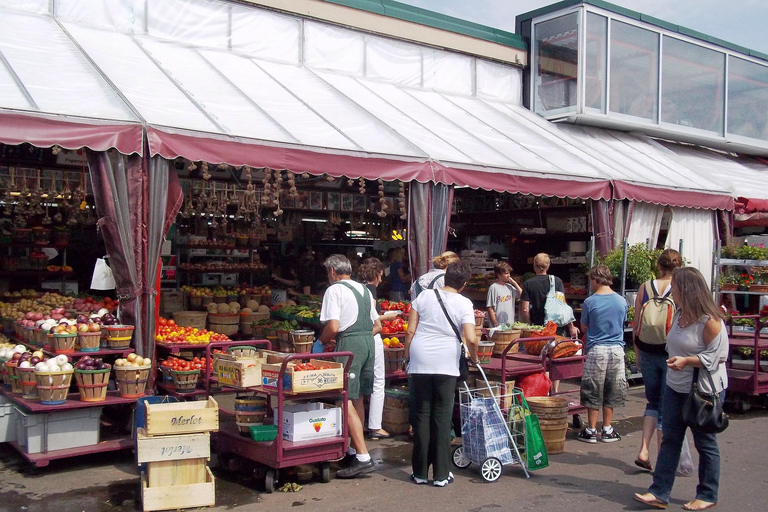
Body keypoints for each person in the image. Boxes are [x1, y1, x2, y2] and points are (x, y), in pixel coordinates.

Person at [634, 267, 729, 511]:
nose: (671, 290)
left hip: (703, 390)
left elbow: (718, 356)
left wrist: (688, 361)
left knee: (705, 442)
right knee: (670, 439)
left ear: (687, 290)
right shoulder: (679, 314)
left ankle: (707, 493)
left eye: (675, 287)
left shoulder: (710, 320)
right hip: (675, 387)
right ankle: (659, 491)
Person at [404, 261, 479, 487]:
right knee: (442, 417)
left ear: (444, 278)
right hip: (446, 362)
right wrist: (474, 358)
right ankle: (441, 474)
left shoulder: (424, 297)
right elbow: (472, 338)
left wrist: (407, 356)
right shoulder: (464, 303)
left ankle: (418, 472)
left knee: (421, 416)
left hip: (419, 360)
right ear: (464, 284)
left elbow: (410, 330)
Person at [318, 254, 381, 478]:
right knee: (357, 398)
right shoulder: (364, 289)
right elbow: (378, 324)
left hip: (350, 345)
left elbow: (333, 326)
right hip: (368, 343)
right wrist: (362, 338)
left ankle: (363, 457)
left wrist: (321, 343)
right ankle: (354, 450)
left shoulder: (334, 290)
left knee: (343, 398)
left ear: (333, 271)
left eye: (328, 272)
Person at [633, 249, 683, 472]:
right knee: (667, 405)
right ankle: (663, 458)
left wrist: (638, 353)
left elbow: (636, 324)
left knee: (652, 402)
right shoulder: (681, 288)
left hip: (647, 350)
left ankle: (644, 449)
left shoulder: (645, 287)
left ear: (659, 266)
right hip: (672, 353)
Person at [577, 264, 628, 444]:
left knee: (593, 389)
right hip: (617, 350)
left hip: (597, 349)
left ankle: (591, 430)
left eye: (590, 279)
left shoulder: (590, 302)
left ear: (596, 278)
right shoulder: (621, 301)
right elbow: (622, 323)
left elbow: (584, 326)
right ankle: (607, 429)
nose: (590, 283)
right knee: (611, 389)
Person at [358, 257, 393, 441]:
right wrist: (388, 317)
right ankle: (375, 426)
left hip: (359, 339)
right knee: (378, 381)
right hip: (371, 338)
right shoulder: (370, 292)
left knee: (360, 383)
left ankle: (360, 423)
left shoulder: (358, 289)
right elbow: (373, 320)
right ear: (378, 274)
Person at [521, 253, 579, 338]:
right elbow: (563, 306)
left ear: (534, 266)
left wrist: (530, 326)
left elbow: (525, 309)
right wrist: (571, 327)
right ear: (548, 266)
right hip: (556, 328)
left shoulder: (528, 284)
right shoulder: (556, 281)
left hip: (537, 328)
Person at [486, 261, 522, 327]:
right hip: (498, 325)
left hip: (510, 324)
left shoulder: (510, 287)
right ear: (499, 274)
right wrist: (495, 323)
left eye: (509, 273)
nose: (509, 275)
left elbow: (522, 295)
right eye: (506, 273)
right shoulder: (493, 288)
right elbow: (490, 307)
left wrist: (514, 283)